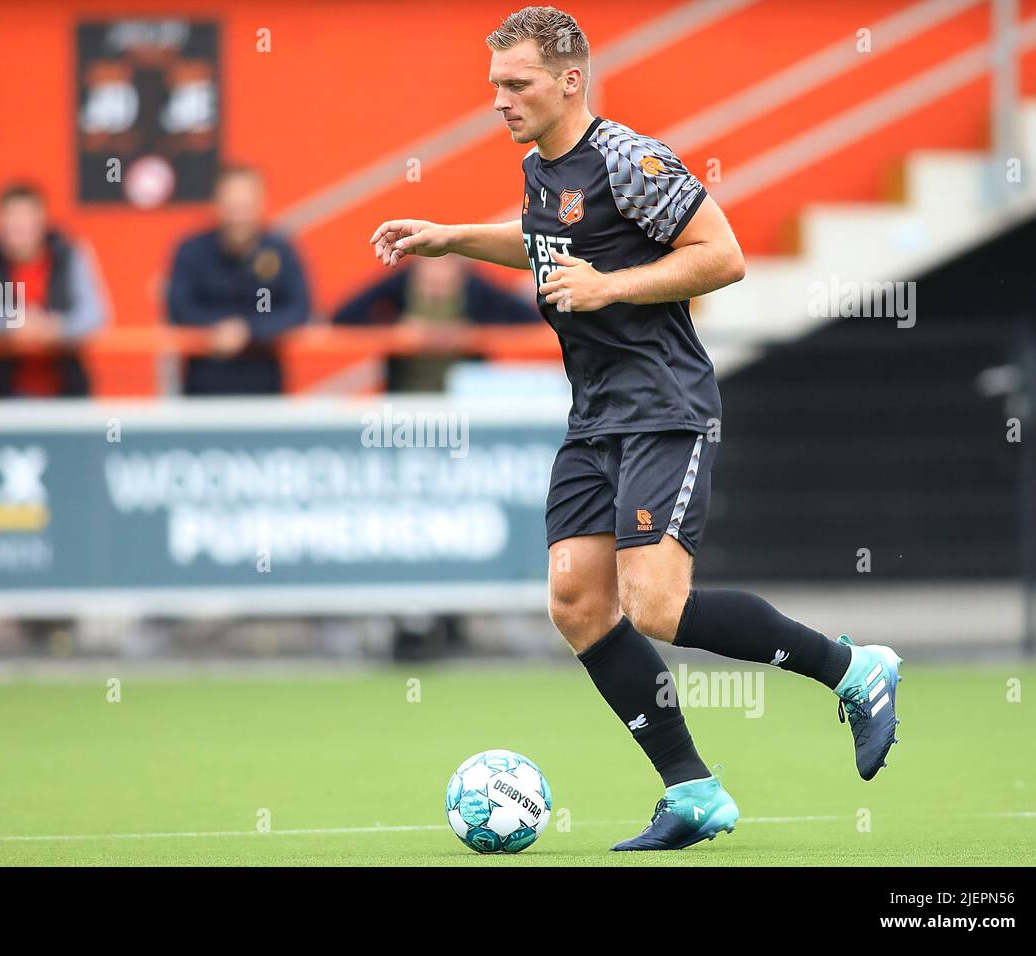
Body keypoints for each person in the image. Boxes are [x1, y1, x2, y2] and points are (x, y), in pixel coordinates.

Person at [368, 5, 902, 852]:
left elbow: (720, 254)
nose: (500, 101)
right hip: (595, 413)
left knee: (657, 605)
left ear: (569, 80)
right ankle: (692, 790)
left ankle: (853, 670)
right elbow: (550, 241)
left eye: (517, 84)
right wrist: (451, 239)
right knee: (578, 601)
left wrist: (610, 288)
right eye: (495, 86)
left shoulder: (630, 157)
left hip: (662, 405)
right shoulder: (544, 168)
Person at [167, 166, 310, 395]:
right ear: (216, 205)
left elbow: (298, 309)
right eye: (232, 207)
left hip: (264, 388)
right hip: (203, 387)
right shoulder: (191, 250)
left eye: (246, 207)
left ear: (261, 205)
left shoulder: (281, 250)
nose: (238, 217)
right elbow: (179, 308)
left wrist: (248, 331)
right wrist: (217, 329)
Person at [0, 183, 107, 398]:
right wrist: (13, 323)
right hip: (6, 392)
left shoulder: (70, 254)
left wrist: (56, 328)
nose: (18, 225)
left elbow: (94, 314)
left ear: (42, 220)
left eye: (26, 216)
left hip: (68, 391)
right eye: (12, 216)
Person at [334, 254, 539, 391]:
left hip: (463, 402)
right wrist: (396, 331)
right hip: (405, 400)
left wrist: (474, 334)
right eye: (430, 283)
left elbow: (528, 319)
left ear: (460, 274)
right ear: (417, 270)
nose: (436, 290)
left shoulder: (476, 288)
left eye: (444, 285)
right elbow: (343, 317)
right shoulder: (400, 283)